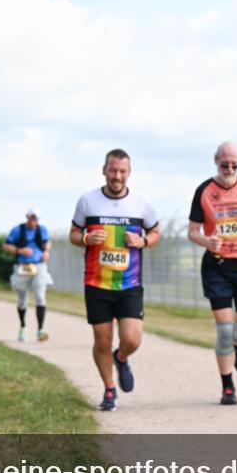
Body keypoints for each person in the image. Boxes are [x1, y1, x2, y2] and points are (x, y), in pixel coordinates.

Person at [70, 149, 160, 412]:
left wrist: (142, 240)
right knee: (101, 341)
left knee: (132, 340)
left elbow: (155, 232)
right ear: (104, 170)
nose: (117, 176)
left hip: (129, 283)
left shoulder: (141, 202)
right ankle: (109, 390)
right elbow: (74, 233)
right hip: (97, 284)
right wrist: (86, 238)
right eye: (112, 170)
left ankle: (121, 358)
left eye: (122, 171)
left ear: (129, 173)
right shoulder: (88, 201)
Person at [188, 142, 237, 406]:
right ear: (215, 161)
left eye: (235, 164)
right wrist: (206, 242)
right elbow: (193, 231)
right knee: (224, 330)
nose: (230, 169)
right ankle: (228, 387)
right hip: (217, 267)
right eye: (225, 164)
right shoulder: (204, 191)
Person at [4, 209, 53, 342]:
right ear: (27, 218)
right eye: (31, 218)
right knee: (22, 299)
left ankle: (40, 329)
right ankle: (23, 327)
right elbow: (6, 245)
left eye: (35, 219)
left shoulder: (42, 230)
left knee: (40, 297)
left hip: (38, 266)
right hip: (22, 267)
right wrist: (19, 250)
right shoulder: (18, 230)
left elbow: (47, 242)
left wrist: (47, 251)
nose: (33, 221)